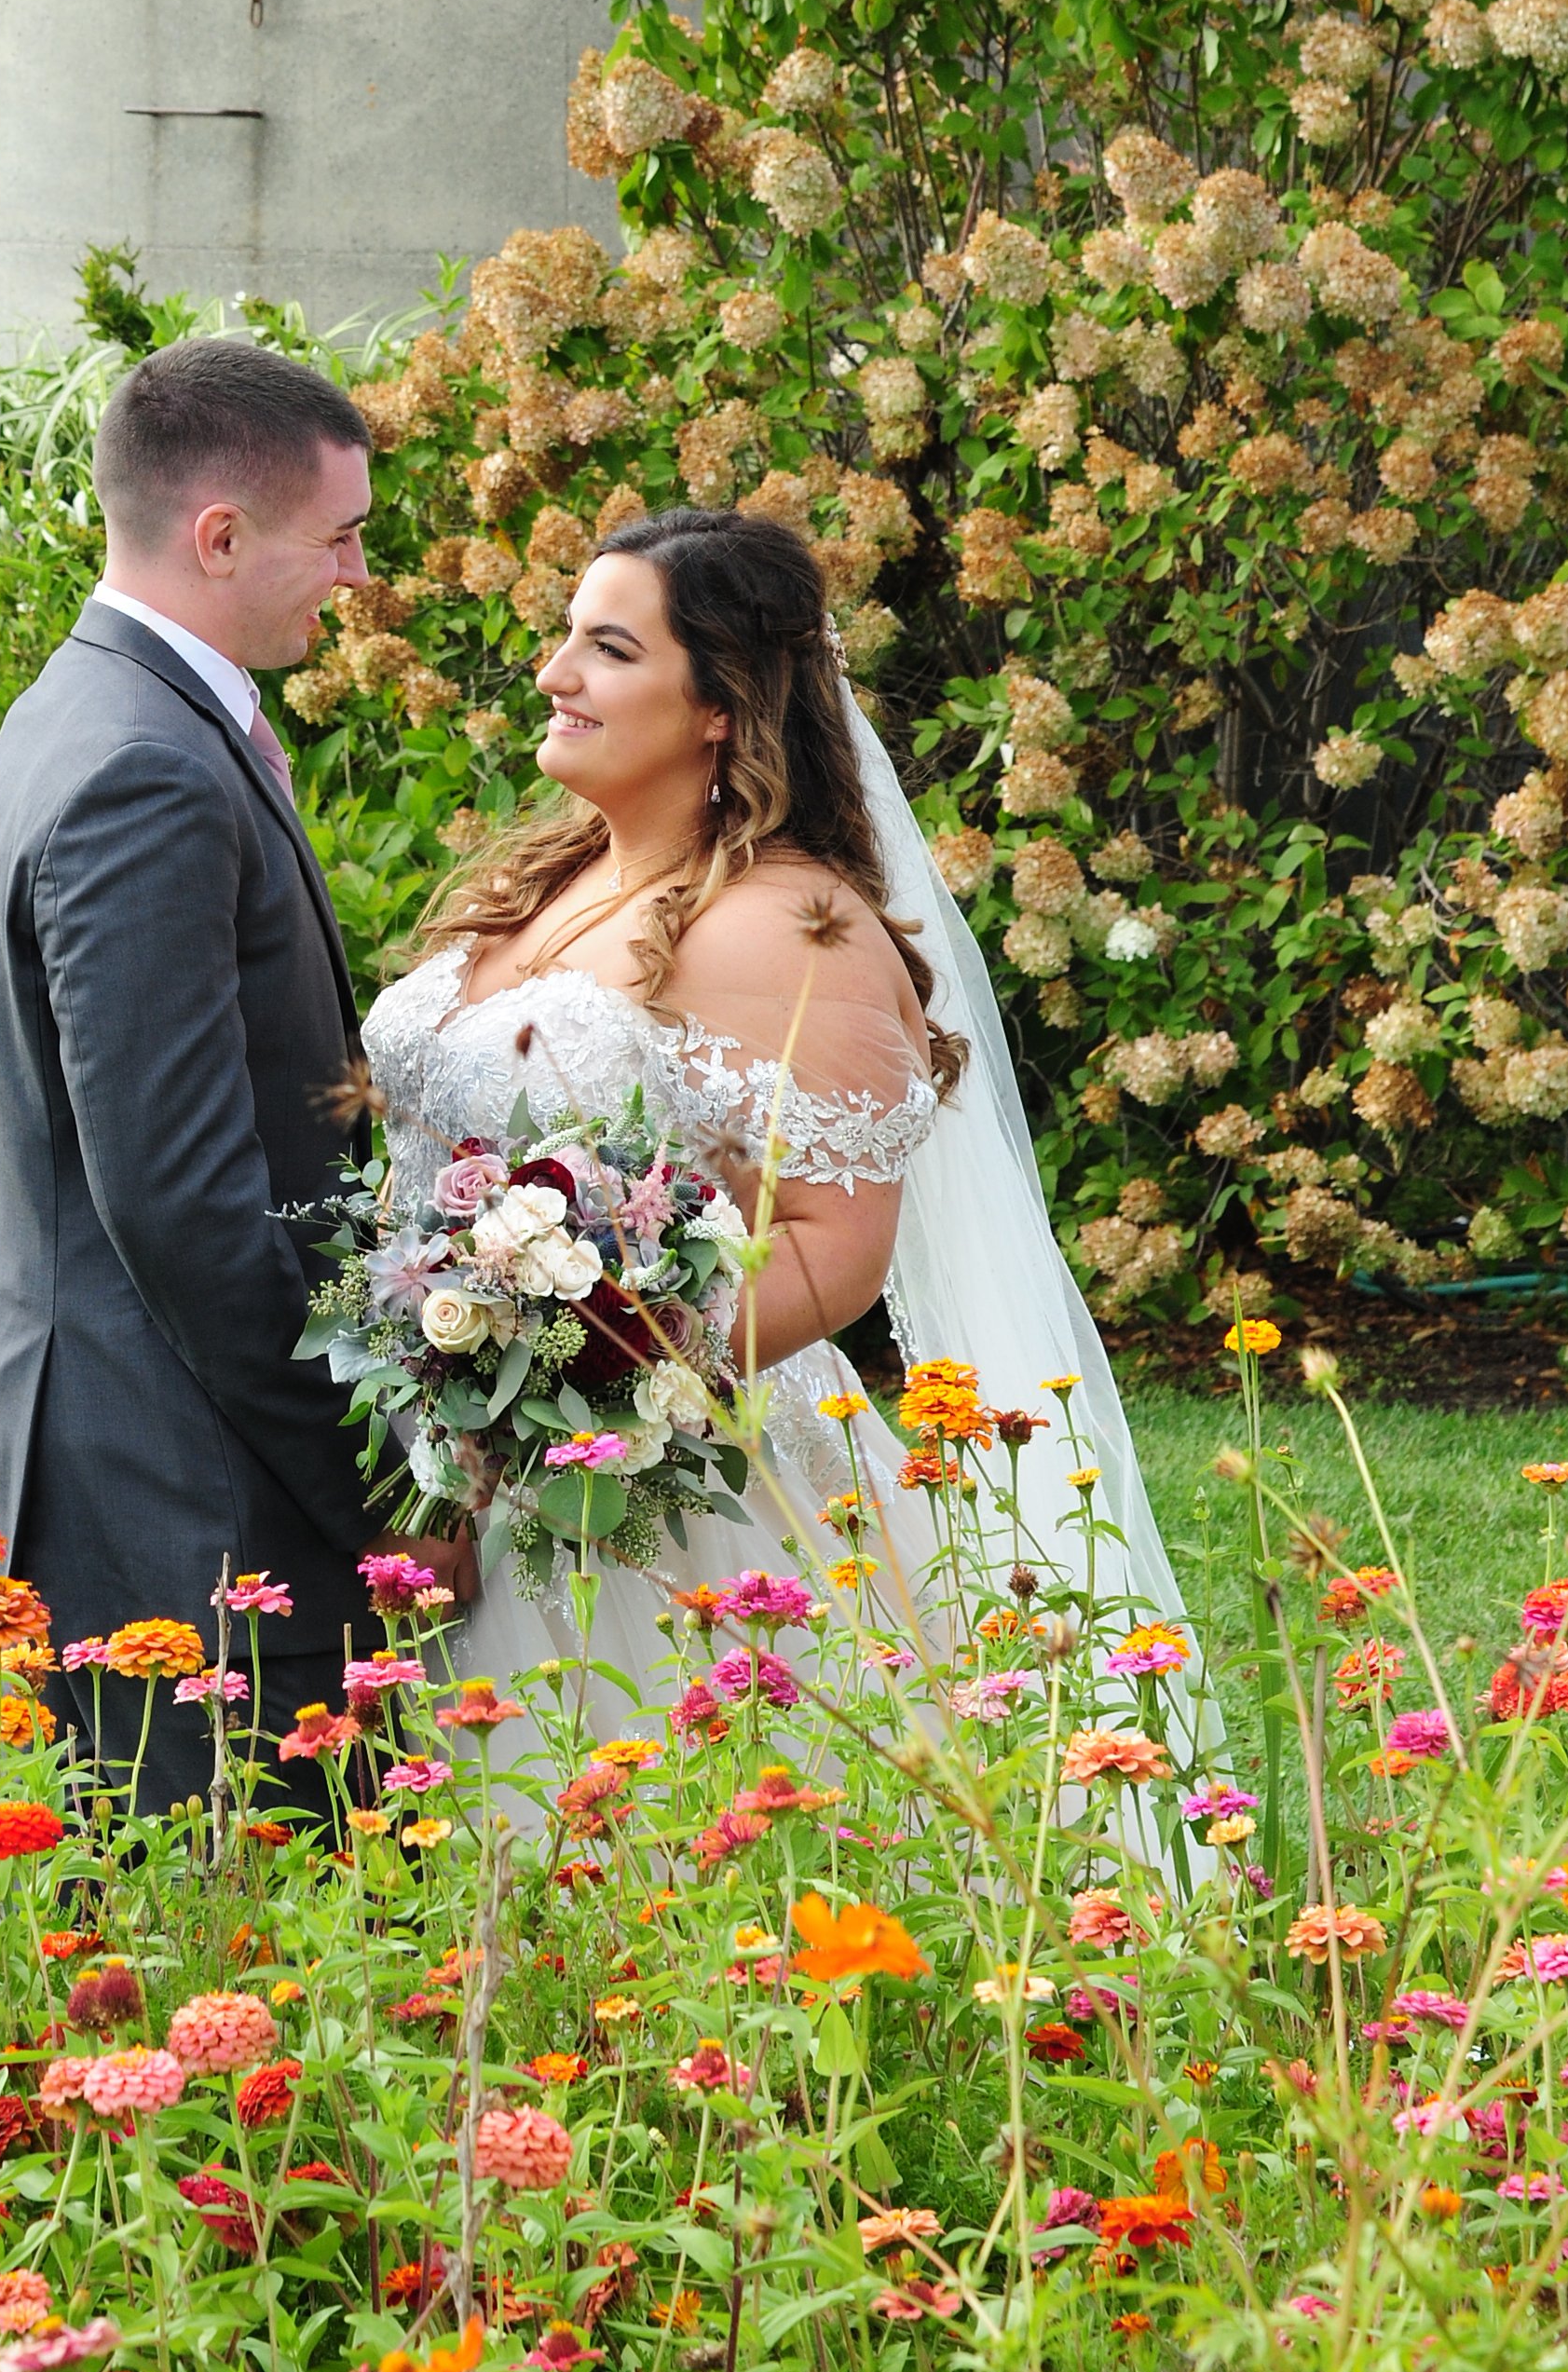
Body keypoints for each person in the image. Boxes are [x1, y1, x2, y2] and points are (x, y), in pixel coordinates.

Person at [360, 504, 1193, 1708]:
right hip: (444, 1446)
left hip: (662, 1510)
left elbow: (836, 1248)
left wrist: (558, 1406)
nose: (553, 672)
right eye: (565, 637)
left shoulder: (794, 925)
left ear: (719, 702)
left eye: (608, 647)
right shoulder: (555, 872)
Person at [0, 332, 392, 1806]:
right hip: (179, 1501)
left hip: (128, 1456)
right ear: (219, 535)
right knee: (236, 1970)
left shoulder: (88, 708)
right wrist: (371, 1490)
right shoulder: (143, 763)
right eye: (337, 539)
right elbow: (184, 1205)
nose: (354, 576)